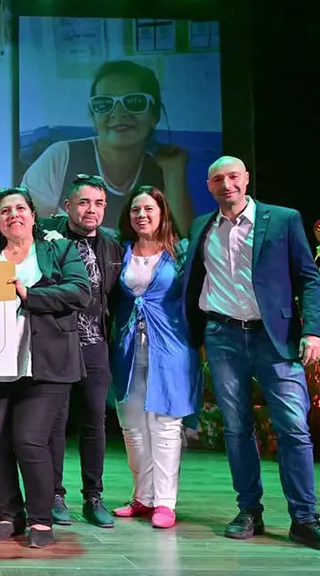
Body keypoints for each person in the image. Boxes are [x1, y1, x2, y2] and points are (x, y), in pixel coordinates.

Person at [183, 156, 320, 557]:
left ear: (246, 180)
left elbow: (308, 278)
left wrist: (314, 330)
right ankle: (248, 511)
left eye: (233, 177)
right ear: (209, 186)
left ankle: (305, 519)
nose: (226, 184)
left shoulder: (282, 219)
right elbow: (194, 281)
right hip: (223, 335)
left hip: (274, 337)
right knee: (236, 428)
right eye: (218, 179)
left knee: (294, 427)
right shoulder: (202, 226)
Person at [0, 186, 92, 548]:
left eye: (20, 208)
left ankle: (41, 519)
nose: (14, 214)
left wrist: (30, 294)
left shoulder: (58, 250)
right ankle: (10, 514)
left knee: (29, 439)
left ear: (32, 216)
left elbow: (80, 291)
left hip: (46, 363)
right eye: (5, 210)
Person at [111, 185, 202, 529]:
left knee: (164, 425)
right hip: (128, 349)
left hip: (172, 350)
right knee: (132, 427)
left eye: (149, 209)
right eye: (136, 210)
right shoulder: (121, 252)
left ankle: (165, 502)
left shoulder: (181, 253)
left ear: (162, 213)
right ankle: (143, 497)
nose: (142, 215)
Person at [39, 174, 122, 528]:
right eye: (84, 202)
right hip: (58, 343)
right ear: (67, 206)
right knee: (55, 422)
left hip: (95, 345)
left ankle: (93, 497)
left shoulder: (112, 245)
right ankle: (54, 496)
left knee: (94, 422)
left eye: (99, 203)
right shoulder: (48, 240)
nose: (91, 209)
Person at [21, 60, 192, 232]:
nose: (119, 113)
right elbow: (25, 231)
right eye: (104, 104)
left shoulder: (161, 171)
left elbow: (182, 243)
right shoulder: (60, 158)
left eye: (133, 101)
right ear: (93, 116)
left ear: (154, 115)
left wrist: (174, 173)